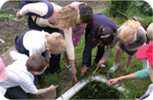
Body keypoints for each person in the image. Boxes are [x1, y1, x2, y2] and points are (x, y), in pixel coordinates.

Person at [16, 0, 80, 81]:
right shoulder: (45, 9)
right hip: (37, 24)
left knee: (56, 47)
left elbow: (69, 45)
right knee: (41, 50)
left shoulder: (66, 26)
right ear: (62, 19)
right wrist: (20, 14)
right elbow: (27, 8)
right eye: (67, 25)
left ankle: (54, 69)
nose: (68, 29)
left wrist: (73, 65)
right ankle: (40, 70)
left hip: (50, 29)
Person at [62, 2, 93, 70]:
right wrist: (70, 44)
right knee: (67, 45)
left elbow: (79, 32)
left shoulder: (87, 15)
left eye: (85, 23)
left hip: (77, 26)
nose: (84, 24)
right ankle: (68, 64)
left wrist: (75, 41)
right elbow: (69, 36)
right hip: (68, 26)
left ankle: (71, 60)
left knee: (72, 44)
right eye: (82, 22)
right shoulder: (71, 13)